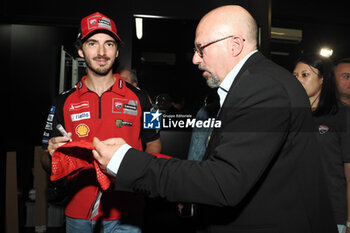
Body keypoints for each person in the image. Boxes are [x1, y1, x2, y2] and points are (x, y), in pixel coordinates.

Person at [91, 5, 337, 233]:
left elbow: (224, 181)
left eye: (201, 48)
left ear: (235, 45)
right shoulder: (253, 83)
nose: (195, 59)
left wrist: (126, 162)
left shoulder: (263, 87)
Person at [41, 12, 161, 233]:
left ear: (116, 52)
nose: (102, 52)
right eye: (92, 43)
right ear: (80, 50)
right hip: (78, 212)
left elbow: (154, 144)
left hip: (127, 211)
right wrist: (52, 155)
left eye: (109, 44)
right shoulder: (62, 101)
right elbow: (46, 162)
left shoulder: (143, 97)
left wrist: (141, 177)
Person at [293, 54, 350, 233]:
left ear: (322, 80)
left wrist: (349, 221)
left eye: (305, 75)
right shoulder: (291, 116)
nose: (298, 80)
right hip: (294, 211)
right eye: (294, 76)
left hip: (332, 211)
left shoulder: (341, 115)